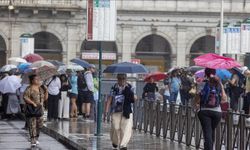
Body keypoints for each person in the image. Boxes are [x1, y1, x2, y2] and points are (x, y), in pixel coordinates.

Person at [196, 68, 227, 150]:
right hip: (217, 112)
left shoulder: (202, 83)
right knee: (211, 130)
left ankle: (209, 148)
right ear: (215, 73)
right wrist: (221, 86)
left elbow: (197, 99)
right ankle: (209, 147)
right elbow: (224, 99)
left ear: (205, 74)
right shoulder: (219, 84)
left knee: (207, 132)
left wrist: (196, 102)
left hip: (204, 111)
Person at [105, 74, 136, 150]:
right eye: (120, 78)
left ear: (126, 79)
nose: (121, 80)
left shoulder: (130, 87)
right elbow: (110, 99)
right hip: (116, 110)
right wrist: (106, 110)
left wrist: (132, 95)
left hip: (127, 110)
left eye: (123, 78)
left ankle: (123, 145)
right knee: (115, 127)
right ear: (117, 79)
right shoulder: (114, 87)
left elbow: (135, 98)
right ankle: (115, 142)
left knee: (125, 128)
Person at [23, 74, 48, 146]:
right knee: (32, 124)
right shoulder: (29, 89)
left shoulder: (41, 88)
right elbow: (25, 97)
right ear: (32, 80)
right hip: (32, 109)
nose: (38, 80)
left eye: (38, 79)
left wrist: (46, 91)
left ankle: (36, 138)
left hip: (40, 109)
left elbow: (45, 99)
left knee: (39, 125)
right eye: (36, 79)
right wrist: (32, 103)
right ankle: (32, 139)